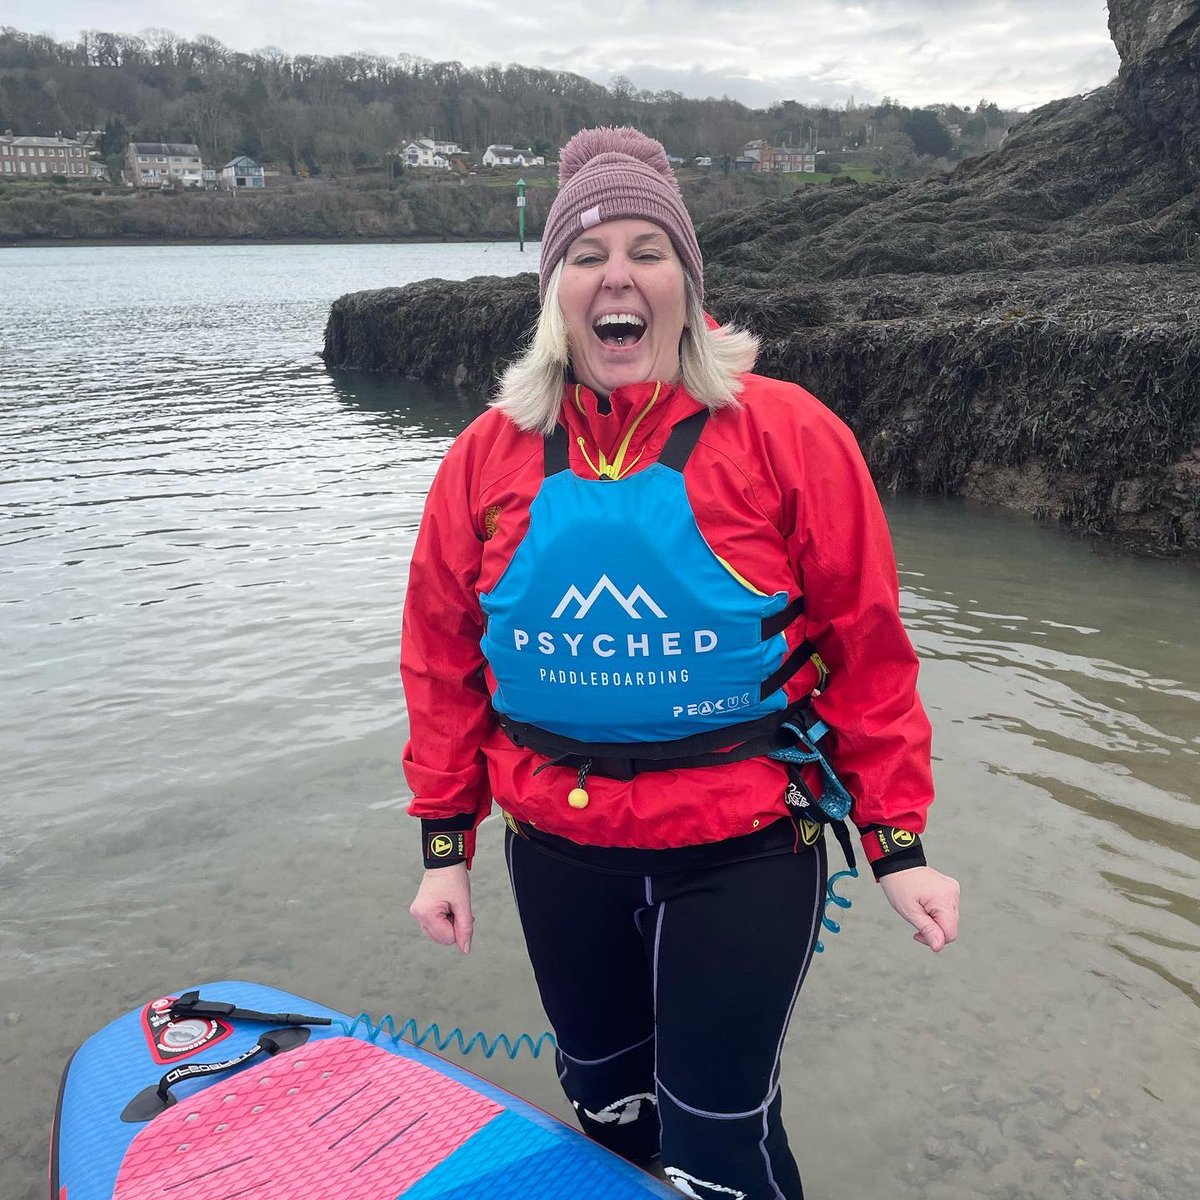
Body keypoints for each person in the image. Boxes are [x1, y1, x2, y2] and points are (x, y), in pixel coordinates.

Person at [403, 126, 960, 1200]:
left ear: (688, 284)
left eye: (647, 251)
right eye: (587, 254)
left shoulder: (789, 433)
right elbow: (440, 658)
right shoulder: (484, 453)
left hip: (741, 851)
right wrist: (444, 845)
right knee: (605, 1113)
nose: (617, 276)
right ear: (556, 292)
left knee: (716, 1141)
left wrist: (898, 846)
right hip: (558, 850)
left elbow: (868, 652)